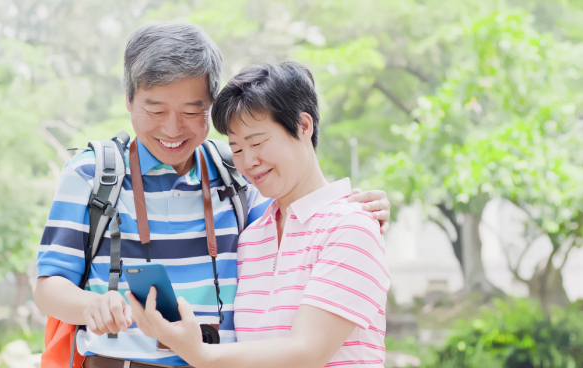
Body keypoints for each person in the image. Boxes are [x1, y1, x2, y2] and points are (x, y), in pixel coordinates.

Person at [34, 21, 391, 368]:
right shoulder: (93, 173)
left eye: (192, 111)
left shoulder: (236, 175)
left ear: (211, 105)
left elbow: (295, 220)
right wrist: (92, 305)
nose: (173, 129)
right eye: (156, 110)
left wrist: (357, 212)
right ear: (129, 99)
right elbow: (49, 287)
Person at [127, 61, 390, 368]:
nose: (249, 161)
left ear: (304, 126)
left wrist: (198, 352)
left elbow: (307, 352)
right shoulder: (251, 236)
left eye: (257, 142)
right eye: (236, 149)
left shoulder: (351, 226)